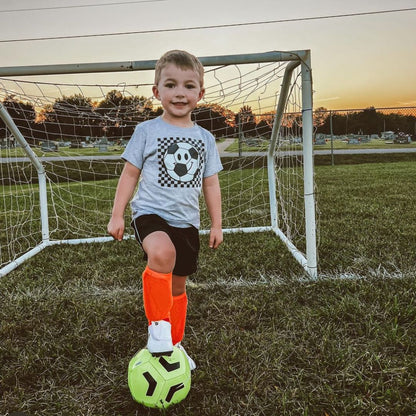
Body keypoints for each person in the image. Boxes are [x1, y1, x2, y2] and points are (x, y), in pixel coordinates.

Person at [107, 50, 223, 370]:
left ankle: (174, 343)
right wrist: (117, 214)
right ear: (157, 91)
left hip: (187, 222)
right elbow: (130, 174)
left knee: (178, 286)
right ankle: (157, 328)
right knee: (161, 253)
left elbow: (211, 185)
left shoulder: (205, 139)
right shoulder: (146, 131)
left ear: (200, 93)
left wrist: (216, 224)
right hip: (150, 213)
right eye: (171, 85)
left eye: (188, 86)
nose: (179, 93)